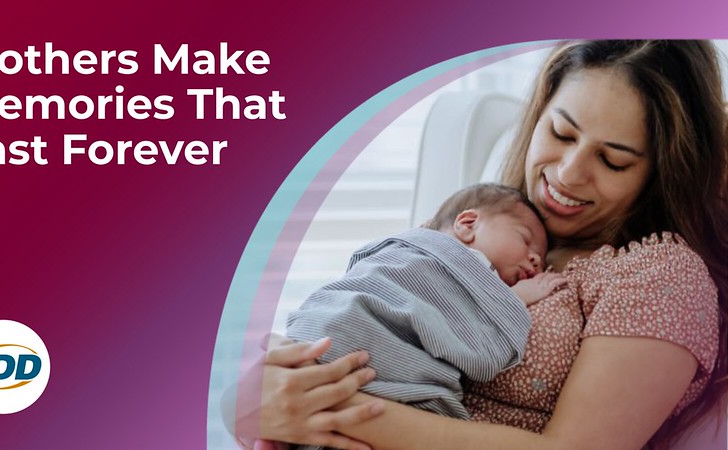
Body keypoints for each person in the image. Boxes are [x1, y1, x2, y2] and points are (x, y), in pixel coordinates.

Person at [243, 40, 728, 450]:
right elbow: (374, 316)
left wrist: (330, 411)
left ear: (664, 172)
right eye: (561, 132)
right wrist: (251, 402)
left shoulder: (660, 276)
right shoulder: (482, 231)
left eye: (613, 160)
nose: (567, 173)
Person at [287, 184, 567, 436]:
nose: (535, 259)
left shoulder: (480, 286)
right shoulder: (434, 255)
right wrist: (514, 300)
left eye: (541, 260)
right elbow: (483, 357)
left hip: (321, 353)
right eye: (525, 239)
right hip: (345, 330)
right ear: (468, 224)